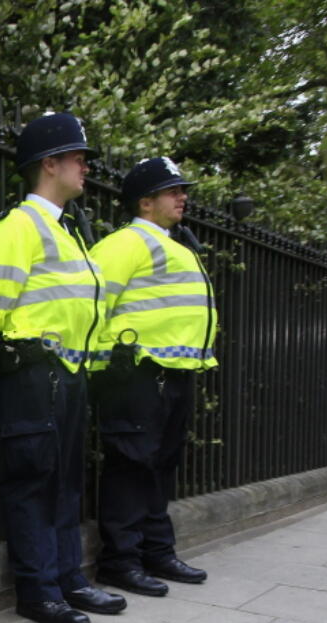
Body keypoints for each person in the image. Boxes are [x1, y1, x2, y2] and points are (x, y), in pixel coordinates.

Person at [0, 112, 125, 623]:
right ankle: (38, 591)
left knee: (65, 480)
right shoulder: (18, 226)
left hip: (67, 372)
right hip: (32, 371)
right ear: (49, 164)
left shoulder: (70, 230)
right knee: (33, 479)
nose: (85, 168)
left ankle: (66, 579)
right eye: (78, 158)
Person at [89, 157, 218, 595]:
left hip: (175, 371)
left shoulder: (178, 245)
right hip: (136, 373)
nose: (183, 197)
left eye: (183, 190)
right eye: (173, 191)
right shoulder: (124, 244)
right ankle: (120, 561)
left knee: (161, 465)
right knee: (131, 464)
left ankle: (156, 552)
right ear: (145, 203)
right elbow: (91, 306)